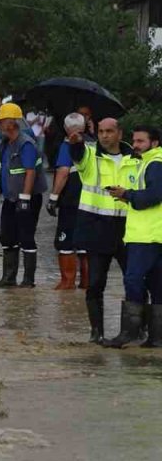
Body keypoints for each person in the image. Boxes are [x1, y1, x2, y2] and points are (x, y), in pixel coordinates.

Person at [67, 117, 140, 343]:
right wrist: (75, 143)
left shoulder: (136, 158)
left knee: (135, 282)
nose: (105, 135)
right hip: (97, 227)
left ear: (119, 133)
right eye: (100, 131)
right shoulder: (90, 155)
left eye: (109, 131)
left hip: (128, 230)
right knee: (96, 283)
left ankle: (134, 331)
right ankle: (96, 332)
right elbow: (78, 157)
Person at [102, 126, 162, 348]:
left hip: (146, 234)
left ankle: (130, 333)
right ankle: (156, 338)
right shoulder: (152, 162)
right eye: (134, 140)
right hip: (155, 233)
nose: (135, 145)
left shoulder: (154, 163)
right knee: (157, 284)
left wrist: (126, 194)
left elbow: (155, 195)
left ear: (154, 143)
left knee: (132, 279)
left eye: (140, 141)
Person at [0, 102, 48, 288]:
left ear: (13, 122)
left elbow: (30, 172)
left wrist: (25, 198)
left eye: (2, 120)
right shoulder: (6, 144)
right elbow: (5, 170)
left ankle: (28, 281)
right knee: (7, 236)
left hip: (27, 198)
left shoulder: (26, 144)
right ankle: (8, 278)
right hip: (10, 198)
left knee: (26, 236)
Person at [47, 112, 88, 290]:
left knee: (65, 242)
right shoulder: (94, 143)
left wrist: (53, 197)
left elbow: (63, 173)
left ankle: (67, 282)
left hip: (70, 201)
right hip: (91, 202)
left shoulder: (67, 145)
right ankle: (87, 282)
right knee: (85, 243)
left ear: (65, 128)